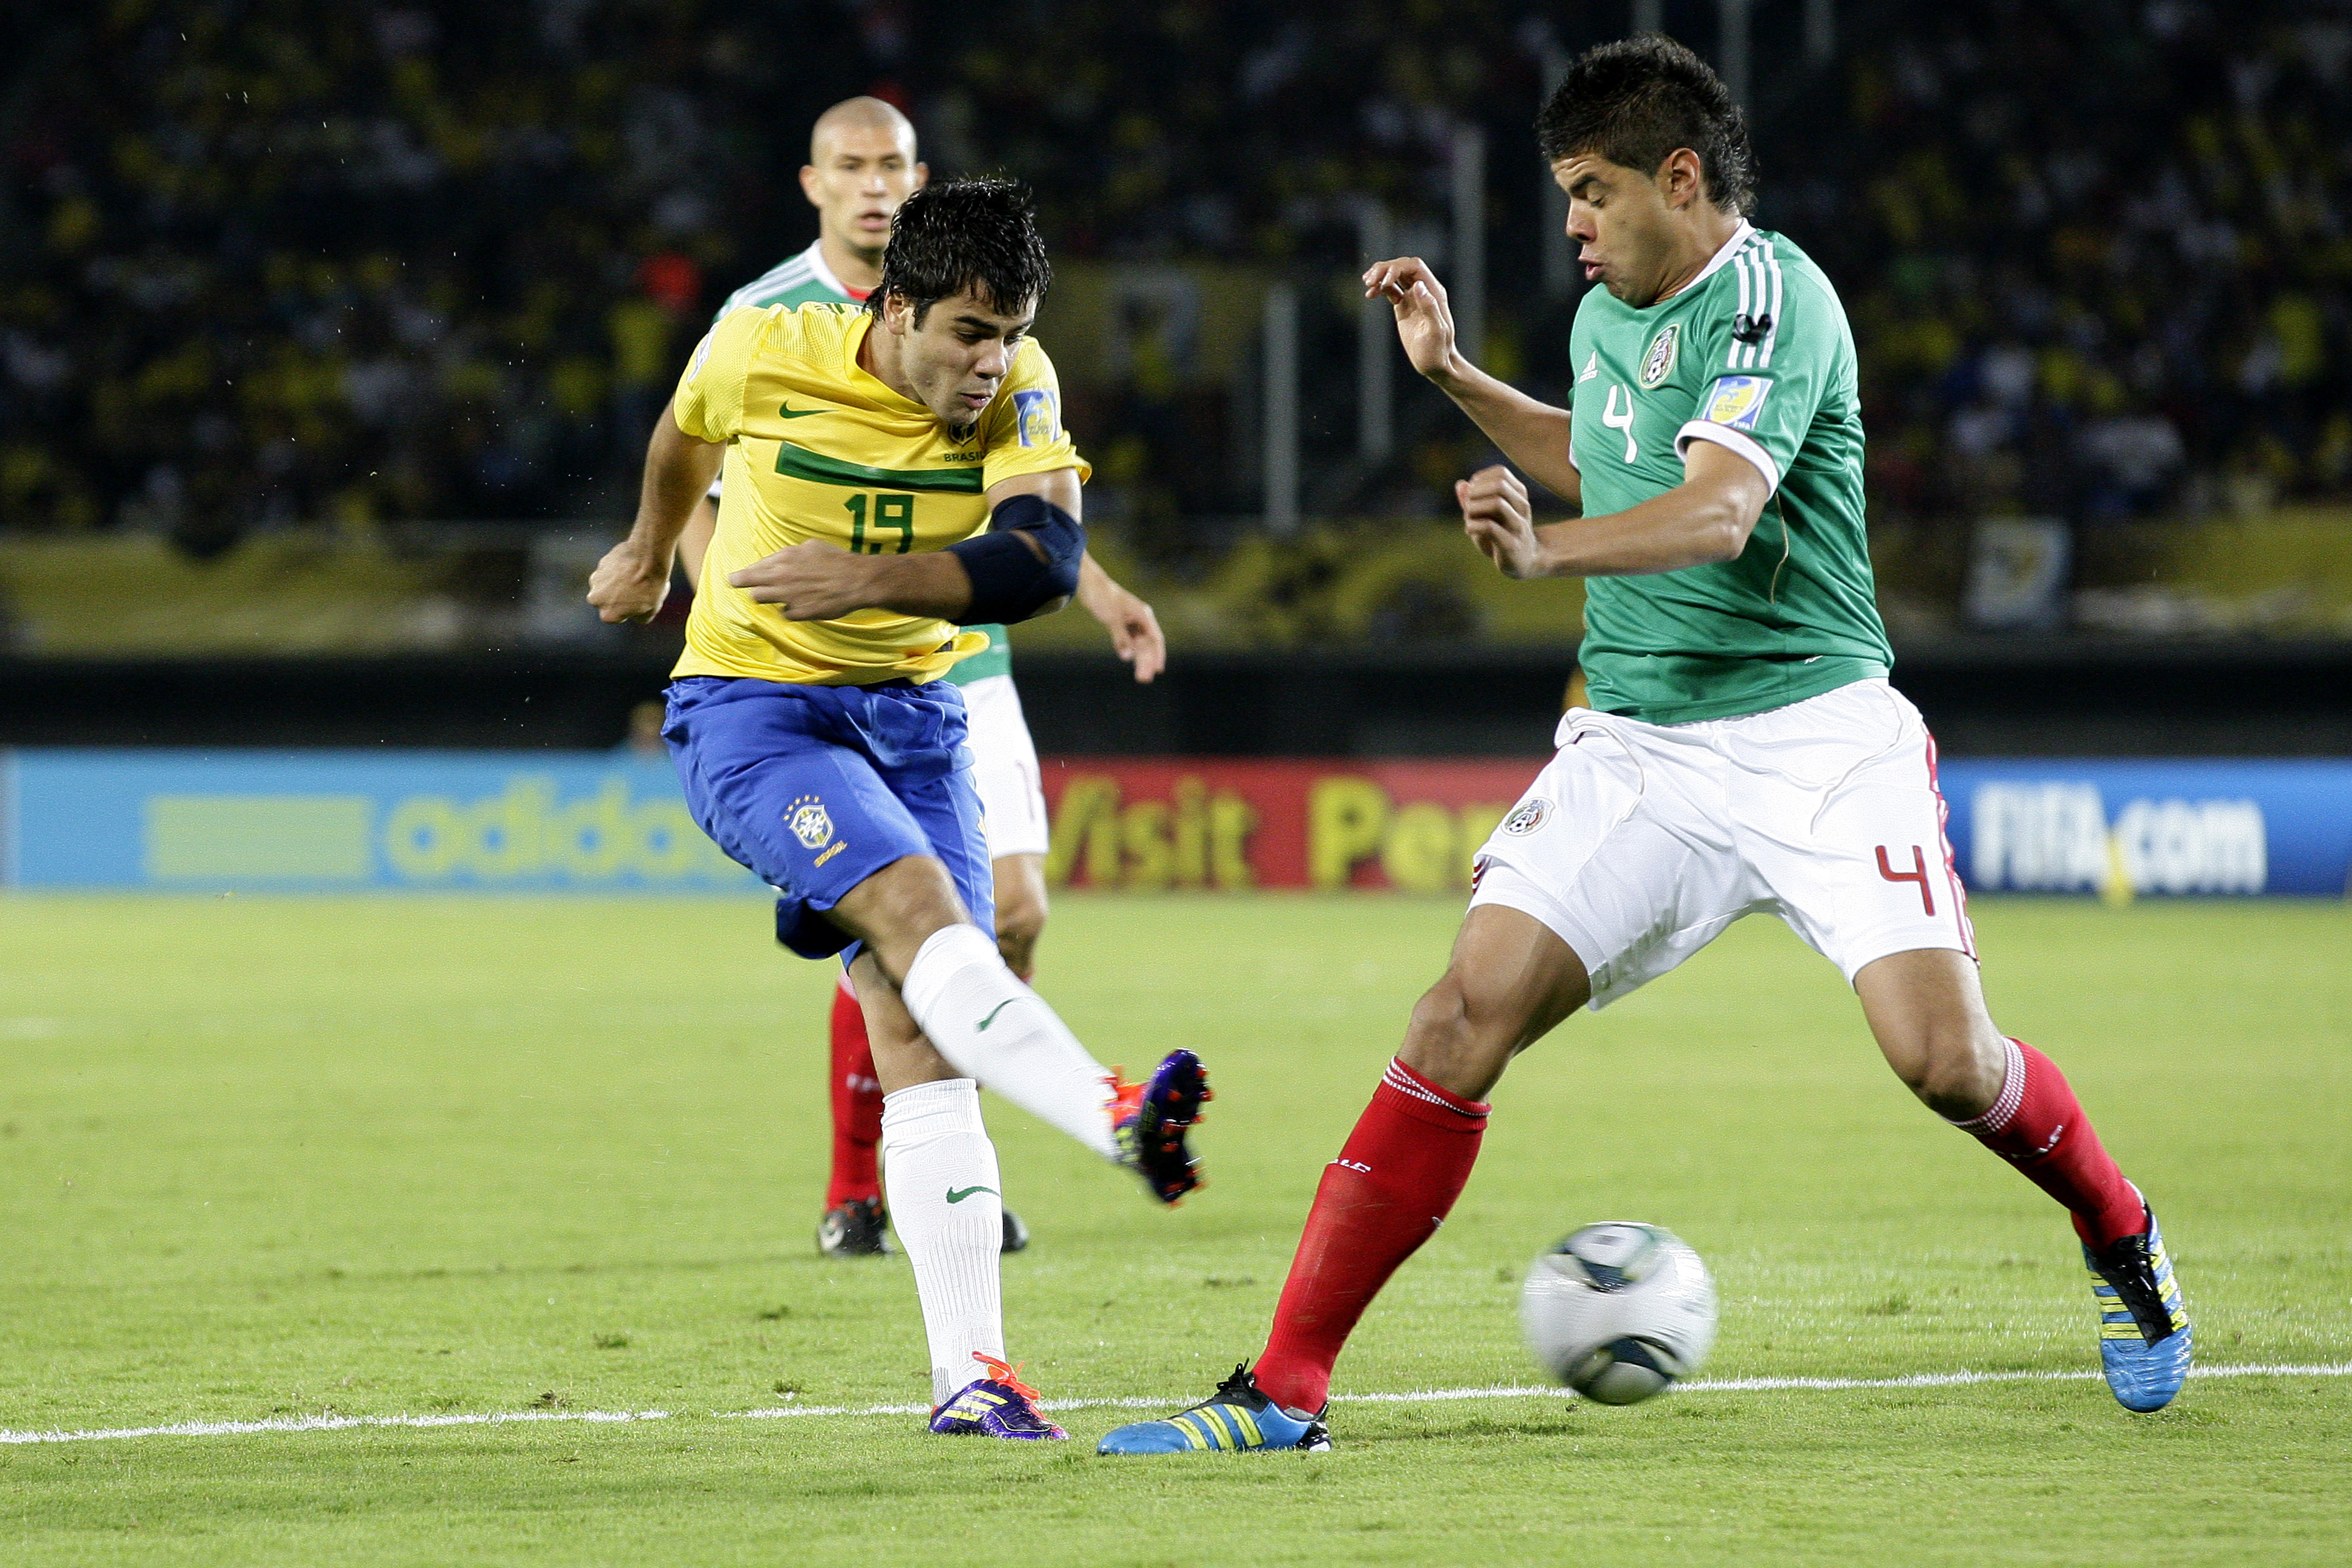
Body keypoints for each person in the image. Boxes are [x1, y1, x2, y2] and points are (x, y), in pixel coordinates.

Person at [1099, 37, 2187, 1455]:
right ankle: (1285, 1390)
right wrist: (1455, 380)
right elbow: (1609, 456)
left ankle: (2120, 1230)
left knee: (1942, 1060)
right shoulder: (1612, 316)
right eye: (1566, 194)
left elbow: (1719, 510)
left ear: (1682, 179)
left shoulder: (1775, 302)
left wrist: (1546, 558)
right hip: (1642, 745)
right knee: (1455, 1019)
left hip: (1814, 737)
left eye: (1593, 191)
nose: (1572, 224)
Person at [587, 178, 1207, 1441]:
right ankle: (1112, 1111)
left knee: (922, 1035)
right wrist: (653, 551)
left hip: (918, 723)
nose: (991, 363)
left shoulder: (1023, 379)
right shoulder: (763, 345)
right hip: (756, 711)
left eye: (1011, 332)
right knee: (926, 920)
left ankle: (970, 1379)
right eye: (968, 334)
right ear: (898, 304)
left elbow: (1042, 563)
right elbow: (679, 434)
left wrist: (868, 578)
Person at [679, 97, 1168, 1259]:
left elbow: (1031, 521)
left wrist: (1096, 591)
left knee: (1006, 916)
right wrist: (720, 622)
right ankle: (869, 1181)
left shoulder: (991, 332)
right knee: (906, 919)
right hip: (797, 665)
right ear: (813, 183)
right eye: (850, 165)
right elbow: (696, 477)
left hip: (955, 653)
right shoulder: (765, 322)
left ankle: (949, 1163)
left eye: (891, 164)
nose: (872, 183)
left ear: (918, 176)